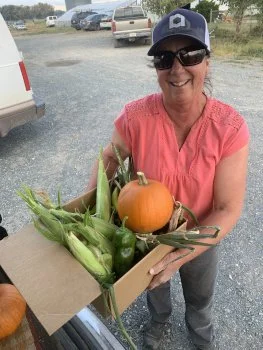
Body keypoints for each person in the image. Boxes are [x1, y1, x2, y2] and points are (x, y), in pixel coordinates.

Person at [86, 8, 249, 350]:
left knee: (200, 295)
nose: (177, 69)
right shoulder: (135, 116)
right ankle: (158, 322)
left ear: (207, 61)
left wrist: (180, 252)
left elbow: (227, 207)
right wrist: (91, 214)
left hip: (201, 232)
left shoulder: (229, 128)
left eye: (189, 55)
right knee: (155, 289)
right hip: (147, 236)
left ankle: (200, 333)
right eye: (164, 58)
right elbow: (109, 160)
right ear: (156, 68)